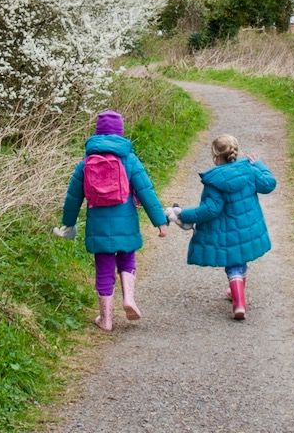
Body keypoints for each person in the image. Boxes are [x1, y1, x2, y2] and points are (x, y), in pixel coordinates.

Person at [55, 109, 168, 332]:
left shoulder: (87, 161)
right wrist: (160, 222)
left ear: (97, 132)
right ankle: (129, 299)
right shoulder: (129, 159)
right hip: (126, 223)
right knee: (127, 259)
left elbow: (73, 197)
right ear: (120, 132)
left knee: (104, 268)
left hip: (98, 225)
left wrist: (68, 223)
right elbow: (146, 191)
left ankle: (105, 319)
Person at [166, 134, 276, 320]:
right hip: (248, 228)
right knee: (241, 259)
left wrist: (182, 214)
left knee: (233, 264)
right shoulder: (249, 170)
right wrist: (259, 165)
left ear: (215, 155)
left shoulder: (215, 181)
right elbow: (269, 184)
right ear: (236, 151)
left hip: (228, 233)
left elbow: (210, 210)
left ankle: (239, 302)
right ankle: (236, 295)